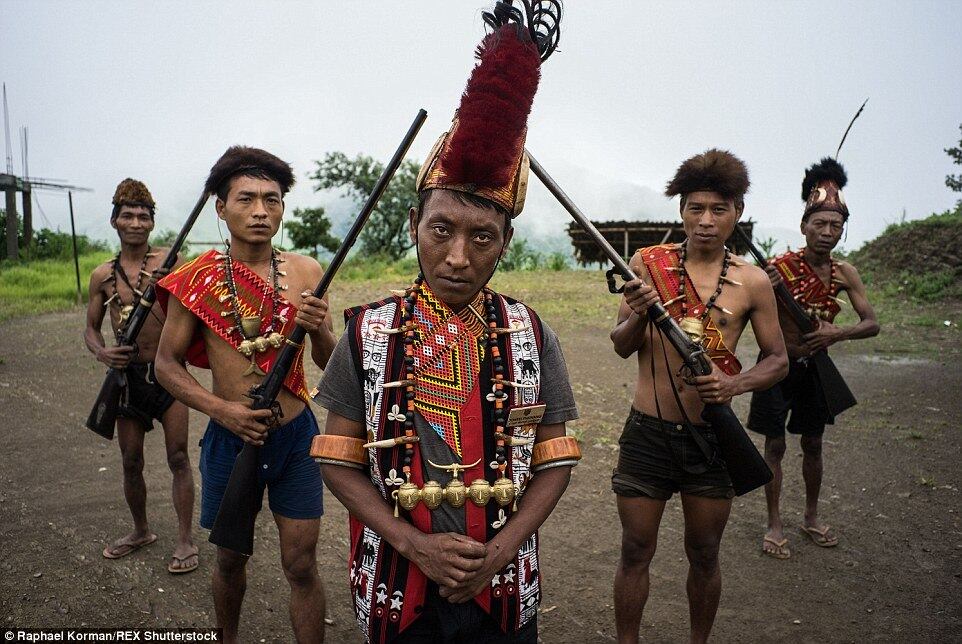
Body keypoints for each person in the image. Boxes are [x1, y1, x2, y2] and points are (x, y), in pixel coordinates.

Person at [311, 8, 579, 643]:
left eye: (481, 236)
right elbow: (337, 458)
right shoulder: (367, 333)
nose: (459, 257)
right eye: (442, 230)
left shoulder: (531, 334)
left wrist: (503, 548)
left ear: (506, 241)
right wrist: (413, 543)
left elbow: (555, 457)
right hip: (397, 588)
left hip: (506, 588)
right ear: (414, 227)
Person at [154, 147, 337, 643]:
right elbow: (165, 364)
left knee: (301, 564)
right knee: (230, 558)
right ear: (220, 206)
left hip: (295, 437)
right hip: (228, 437)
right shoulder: (197, 279)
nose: (261, 211)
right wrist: (224, 412)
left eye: (272, 200)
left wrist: (318, 330)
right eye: (247, 199)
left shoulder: (305, 271)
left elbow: (330, 362)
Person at [610, 150, 788, 644]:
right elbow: (622, 345)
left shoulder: (752, 282)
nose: (706, 221)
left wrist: (734, 384)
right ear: (681, 210)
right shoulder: (649, 264)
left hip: (712, 438)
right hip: (647, 433)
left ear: (738, 212)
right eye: (696, 208)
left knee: (705, 552)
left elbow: (778, 360)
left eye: (718, 209)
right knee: (635, 549)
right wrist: (642, 313)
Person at [748, 157, 879, 559]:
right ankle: (773, 524)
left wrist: (837, 332)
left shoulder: (844, 273)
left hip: (815, 368)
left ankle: (810, 516)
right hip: (778, 364)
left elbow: (871, 323)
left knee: (814, 443)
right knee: (774, 447)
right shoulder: (777, 268)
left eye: (834, 226)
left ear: (843, 230)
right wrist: (765, 286)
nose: (826, 232)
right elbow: (752, 309)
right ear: (803, 226)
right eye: (818, 224)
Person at [84, 178, 197, 574]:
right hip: (127, 378)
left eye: (143, 216)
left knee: (179, 457)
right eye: (127, 215)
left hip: (169, 375)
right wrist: (103, 353)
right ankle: (141, 531)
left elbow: (199, 311)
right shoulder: (102, 275)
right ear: (114, 221)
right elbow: (91, 329)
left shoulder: (171, 263)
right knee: (131, 461)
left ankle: (184, 542)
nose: (135, 222)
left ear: (152, 222)